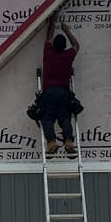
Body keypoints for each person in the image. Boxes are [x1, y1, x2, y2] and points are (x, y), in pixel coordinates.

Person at [39, 13, 80, 155]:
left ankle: (51, 143)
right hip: (64, 92)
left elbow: (49, 36)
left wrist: (52, 21)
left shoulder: (48, 52)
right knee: (65, 118)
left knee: (47, 118)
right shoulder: (68, 55)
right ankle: (68, 141)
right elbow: (76, 45)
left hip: (49, 92)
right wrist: (67, 30)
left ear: (54, 46)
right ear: (64, 47)